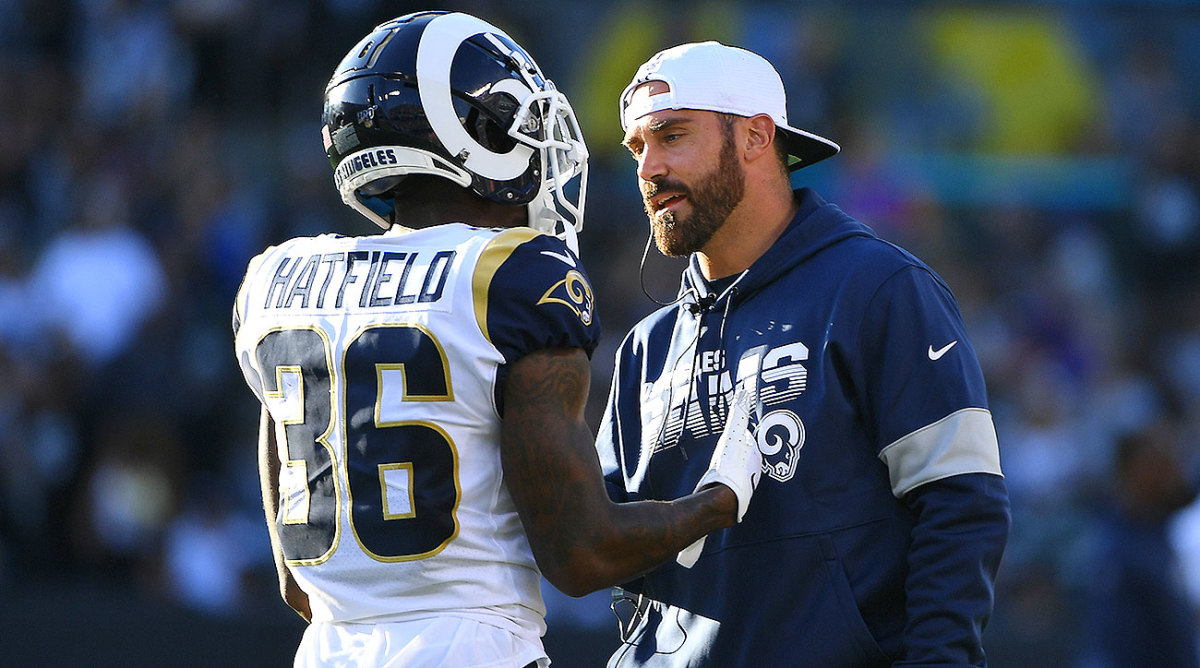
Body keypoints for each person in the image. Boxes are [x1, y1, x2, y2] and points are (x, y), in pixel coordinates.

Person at [232, 12, 762, 668]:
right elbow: (580, 553)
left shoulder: (274, 282)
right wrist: (717, 502)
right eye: (525, 127)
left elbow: (297, 584)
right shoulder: (510, 277)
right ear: (472, 135)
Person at [597, 41, 1011, 667]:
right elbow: (615, 558)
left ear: (757, 138)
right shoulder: (645, 348)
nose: (648, 168)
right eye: (638, 148)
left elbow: (960, 503)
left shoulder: (879, 289)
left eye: (672, 135)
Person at [1080, 422, 1199, 668]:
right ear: (1133, 471)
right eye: (1160, 465)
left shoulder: (1164, 531)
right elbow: (1113, 644)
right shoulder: (1117, 547)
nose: (1172, 474)